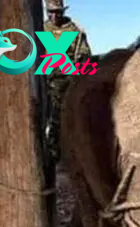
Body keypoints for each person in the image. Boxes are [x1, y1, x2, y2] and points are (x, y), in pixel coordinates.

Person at [43, 0, 92, 162]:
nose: (54, 15)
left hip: (67, 79)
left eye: (57, 12)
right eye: (50, 12)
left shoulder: (74, 30)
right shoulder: (42, 29)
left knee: (65, 116)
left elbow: (84, 55)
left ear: (63, 12)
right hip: (44, 79)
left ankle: (62, 151)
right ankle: (51, 150)